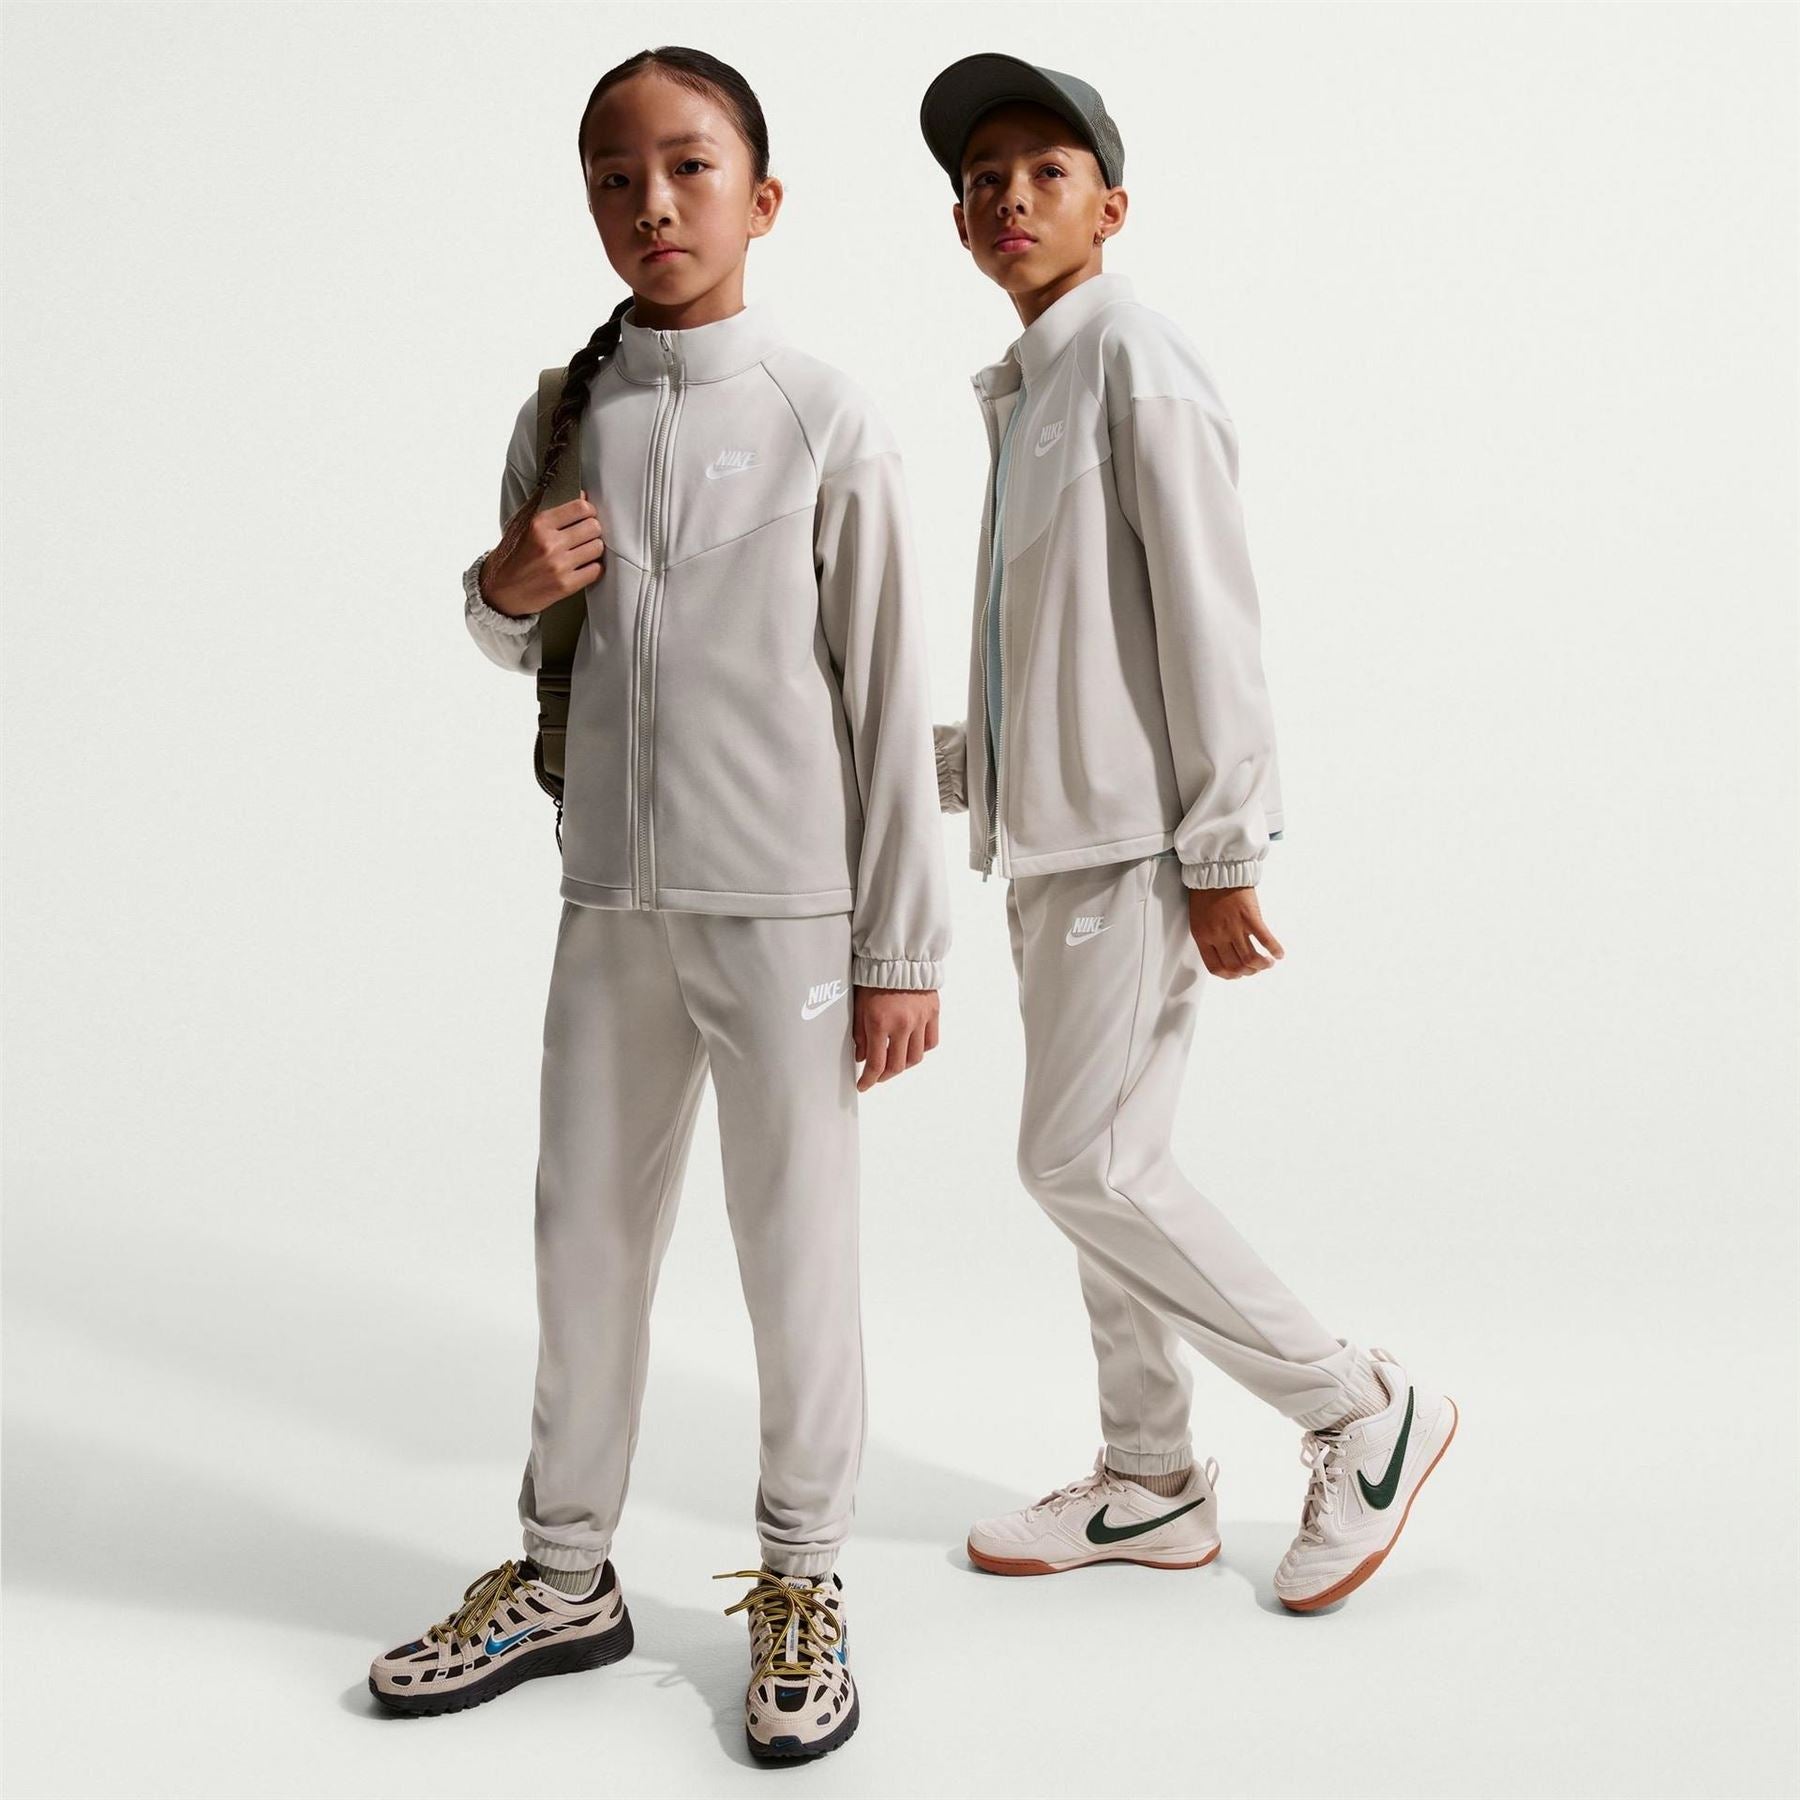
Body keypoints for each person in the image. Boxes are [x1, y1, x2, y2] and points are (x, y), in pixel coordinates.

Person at [368, 46, 948, 1759]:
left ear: (763, 198)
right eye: (616, 177)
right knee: (584, 1243)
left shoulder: (825, 416)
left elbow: (886, 701)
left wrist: (901, 948)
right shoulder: (565, 411)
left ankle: (803, 1577)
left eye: (689, 167)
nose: (653, 204)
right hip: (607, 899)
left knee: (795, 1254)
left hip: (786, 912)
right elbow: (518, 631)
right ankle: (565, 1575)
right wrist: (497, 588)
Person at [918, 53, 1454, 1612]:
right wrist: (935, 771)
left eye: (1047, 171)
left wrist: (1224, 851)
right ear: (960, 222)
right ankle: (1150, 1481)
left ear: (1112, 206)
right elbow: (1058, 652)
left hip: (1133, 847)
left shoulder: (1132, 360)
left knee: (1079, 1162)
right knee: (1115, 1165)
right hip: (1055, 843)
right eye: (984, 180)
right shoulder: (1033, 385)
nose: (1011, 198)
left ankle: (1359, 1404)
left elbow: (1208, 619)